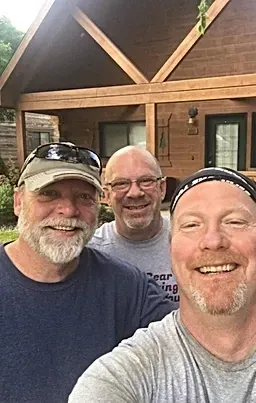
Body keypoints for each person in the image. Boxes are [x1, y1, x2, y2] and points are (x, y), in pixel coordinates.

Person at [69, 167, 256, 403]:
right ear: (170, 252)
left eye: (234, 221)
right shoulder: (123, 376)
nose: (213, 241)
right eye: (191, 225)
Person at [0, 142, 175, 403]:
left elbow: (190, 344)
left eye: (84, 197)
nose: (68, 210)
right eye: (49, 194)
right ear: (18, 201)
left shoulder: (126, 287)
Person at [89, 146, 179, 303]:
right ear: (107, 195)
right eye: (121, 183)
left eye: (146, 181)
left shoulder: (189, 242)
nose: (135, 193)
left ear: (162, 188)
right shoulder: (91, 253)